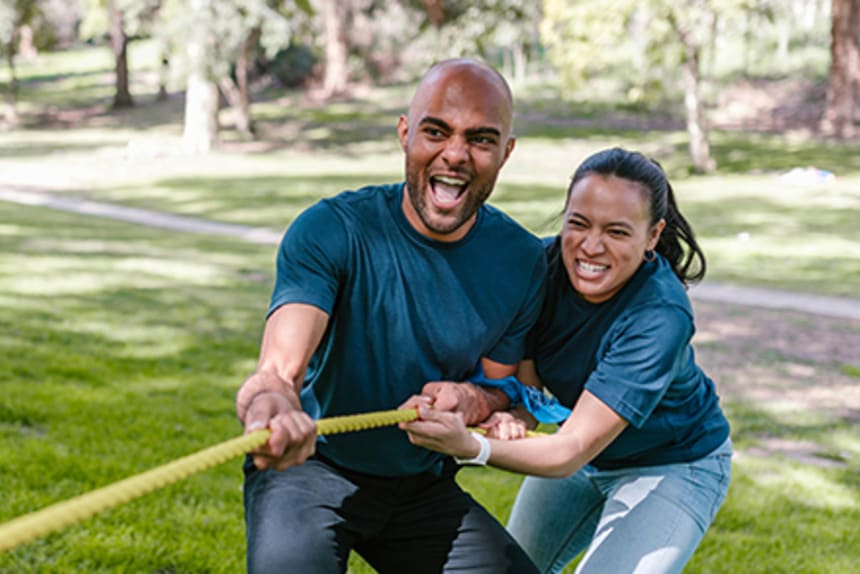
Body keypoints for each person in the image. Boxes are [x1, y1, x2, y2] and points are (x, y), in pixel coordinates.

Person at [234, 58, 546, 574]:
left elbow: (507, 394)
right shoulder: (331, 230)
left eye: (481, 140)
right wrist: (271, 402)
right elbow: (278, 370)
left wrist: (472, 398)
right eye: (436, 131)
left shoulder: (522, 260)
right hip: (310, 468)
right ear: (405, 133)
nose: (455, 154)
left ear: (506, 153)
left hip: (421, 488)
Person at [401, 147, 732, 574]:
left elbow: (570, 450)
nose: (590, 247)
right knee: (508, 568)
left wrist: (472, 446)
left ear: (652, 236)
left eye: (617, 231)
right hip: (584, 450)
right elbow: (531, 393)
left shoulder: (660, 315)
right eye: (578, 223)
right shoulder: (541, 269)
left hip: (673, 463)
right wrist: (513, 415)